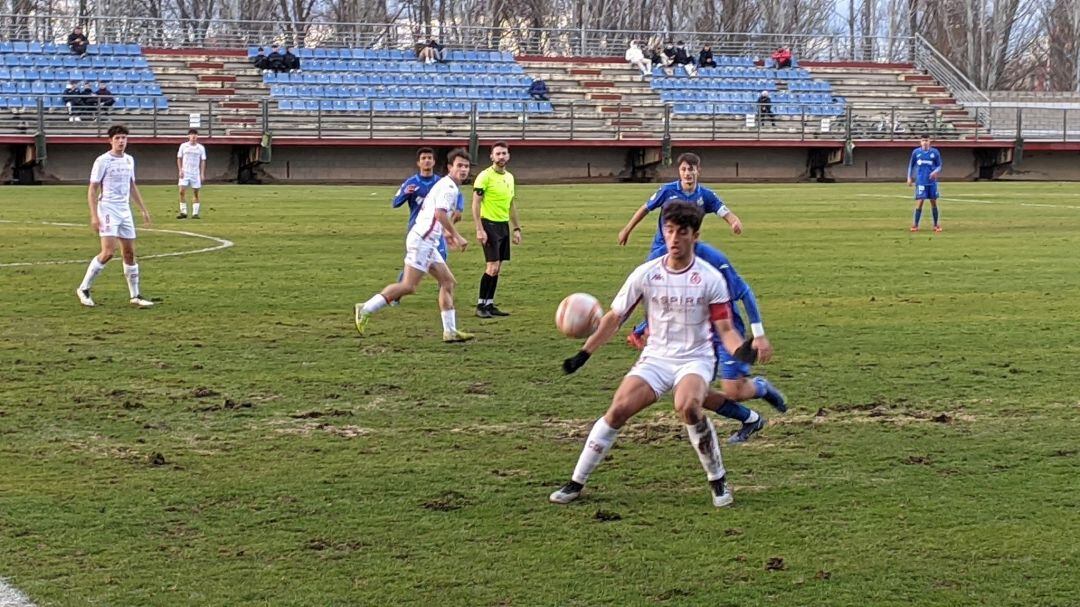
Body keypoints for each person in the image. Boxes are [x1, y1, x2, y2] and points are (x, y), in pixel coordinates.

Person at [550, 202, 754, 508]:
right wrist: (584, 353)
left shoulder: (710, 278)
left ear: (694, 235)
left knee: (687, 406)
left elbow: (725, 327)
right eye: (668, 230)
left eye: (681, 232)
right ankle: (576, 482)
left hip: (695, 358)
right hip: (656, 358)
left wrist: (741, 350)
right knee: (617, 410)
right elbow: (614, 317)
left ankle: (718, 479)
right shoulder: (646, 274)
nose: (673, 238)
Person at [618, 152, 743, 348]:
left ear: (698, 171)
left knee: (680, 292)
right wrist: (627, 229)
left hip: (686, 252)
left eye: (691, 169)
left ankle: (642, 330)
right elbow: (645, 208)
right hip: (661, 248)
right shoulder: (667, 191)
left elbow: (723, 210)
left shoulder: (705, 195)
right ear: (679, 171)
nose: (687, 173)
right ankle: (628, 323)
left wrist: (734, 221)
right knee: (647, 288)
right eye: (684, 169)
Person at [355, 148, 474, 343]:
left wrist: (445, 233)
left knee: (448, 282)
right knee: (408, 286)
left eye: (466, 166)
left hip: (426, 239)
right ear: (450, 167)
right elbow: (440, 214)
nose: (463, 170)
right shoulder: (449, 187)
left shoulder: (445, 184)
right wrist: (456, 235)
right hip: (422, 241)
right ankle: (366, 308)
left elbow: (435, 216)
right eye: (459, 166)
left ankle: (450, 331)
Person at [677, 241, 789, 443]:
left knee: (733, 392)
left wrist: (759, 334)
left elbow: (744, 292)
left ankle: (761, 387)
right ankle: (751, 419)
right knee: (692, 393)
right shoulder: (661, 258)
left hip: (726, 332)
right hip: (694, 338)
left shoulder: (715, 259)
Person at [76, 125, 154, 309]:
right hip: (108, 209)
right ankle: (83, 288)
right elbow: (92, 189)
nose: (121, 141)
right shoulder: (102, 161)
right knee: (108, 253)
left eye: (124, 138)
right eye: (118, 138)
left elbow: (132, 185)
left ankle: (135, 296)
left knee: (129, 253)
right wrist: (94, 215)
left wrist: (142, 209)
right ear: (110, 140)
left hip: (124, 210)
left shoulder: (129, 160)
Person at [391, 147, 465, 285]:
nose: (427, 161)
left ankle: (444, 290)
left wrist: (459, 208)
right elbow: (395, 203)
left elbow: (458, 194)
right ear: (418, 163)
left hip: (437, 227)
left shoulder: (441, 182)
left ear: (434, 162)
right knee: (414, 263)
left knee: (441, 257)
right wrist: (406, 193)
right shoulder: (411, 182)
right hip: (417, 227)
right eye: (423, 158)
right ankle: (399, 290)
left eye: (429, 158)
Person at [471, 141, 520, 318]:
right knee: (491, 267)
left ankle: (489, 304)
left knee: (497, 267)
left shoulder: (510, 177)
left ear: (508, 156)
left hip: (503, 225)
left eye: (504, 153)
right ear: (491, 156)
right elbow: (475, 203)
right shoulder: (484, 177)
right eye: (497, 154)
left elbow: (511, 204)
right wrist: (479, 228)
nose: (501, 157)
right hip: (488, 224)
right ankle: (480, 305)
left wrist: (516, 228)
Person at [907, 137, 943, 232]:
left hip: (932, 182)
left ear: (929, 141)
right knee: (920, 202)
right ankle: (915, 225)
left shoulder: (935, 152)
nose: (925, 142)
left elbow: (939, 165)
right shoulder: (916, 152)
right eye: (923, 140)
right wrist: (909, 177)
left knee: (933, 202)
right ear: (920, 142)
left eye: (926, 140)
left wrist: (935, 171)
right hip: (921, 182)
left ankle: (936, 225)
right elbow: (911, 165)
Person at [176, 129, 207, 219]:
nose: (193, 137)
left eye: (195, 135)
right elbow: (179, 158)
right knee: (181, 191)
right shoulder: (183, 146)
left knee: (196, 193)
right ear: (188, 136)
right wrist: (180, 170)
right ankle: (183, 212)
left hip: (195, 173)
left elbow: (203, 161)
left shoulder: (201, 148)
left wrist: (202, 173)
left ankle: (195, 213)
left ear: (197, 136)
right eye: (192, 135)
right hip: (185, 172)